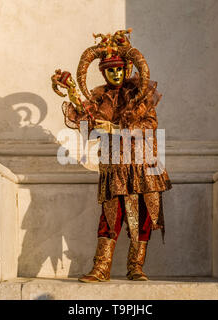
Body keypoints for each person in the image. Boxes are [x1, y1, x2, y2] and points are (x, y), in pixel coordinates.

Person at [51, 29, 172, 282]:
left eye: (119, 69)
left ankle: (136, 267)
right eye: (110, 70)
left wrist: (116, 129)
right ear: (103, 72)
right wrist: (72, 89)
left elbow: (149, 126)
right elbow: (87, 123)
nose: (115, 74)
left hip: (141, 164)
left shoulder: (141, 94)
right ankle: (101, 267)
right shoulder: (100, 97)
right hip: (113, 167)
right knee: (110, 216)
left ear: (127, 69)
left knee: (142, 217)